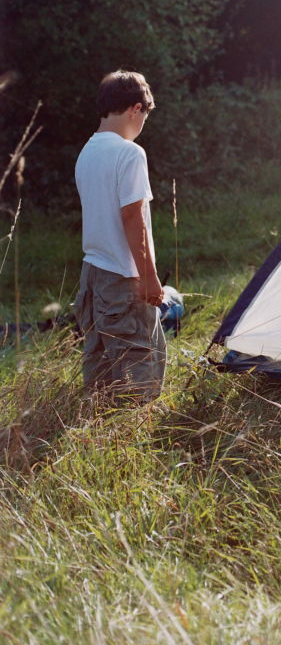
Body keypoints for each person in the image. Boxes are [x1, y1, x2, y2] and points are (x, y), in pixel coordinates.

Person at [74, 70, 166, 403]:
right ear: (135, 108)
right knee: (141, 362)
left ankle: (96, 432)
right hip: (124, 276)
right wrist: (149, 278)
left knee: (99, 368)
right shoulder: (130, 153)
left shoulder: (87, 152)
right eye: (145, 115)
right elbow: (131, 218)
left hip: (92, 275)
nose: (142, 125)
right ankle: (133, 434)